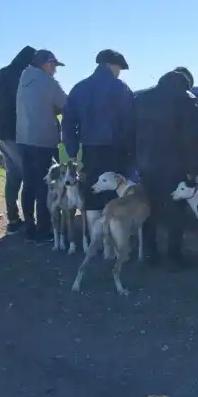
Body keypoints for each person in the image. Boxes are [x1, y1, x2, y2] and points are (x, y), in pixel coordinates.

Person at [62, 49, 135, 253]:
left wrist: (73, 150)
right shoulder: (121, 89)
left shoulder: (79, 88)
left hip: (90, 151)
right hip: (116, 152)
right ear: (111, 65)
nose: (119, 72)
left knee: (93, 195)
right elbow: (130, 124)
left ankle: (95, 243)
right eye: (119, 68)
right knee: (114, 196)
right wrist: (131, 152)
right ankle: (111, 246)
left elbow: (68, 123)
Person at [134, 67, 198, 269]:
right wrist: (194, 168)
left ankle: (149, 252)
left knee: (150, 209)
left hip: (147, 164)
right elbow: (195, 138)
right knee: (176, 212)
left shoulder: (143, 97)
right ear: (186, 83)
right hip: (176, 166)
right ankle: (173, 256)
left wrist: (135, 159)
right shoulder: (188, 100)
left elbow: (130, 130)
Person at [0, 46, 37, 234]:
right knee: (29, 174)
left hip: (0, 132)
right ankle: (31, 221)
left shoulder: (3, 74)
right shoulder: (23, 75)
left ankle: (13, 219)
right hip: (15, 131)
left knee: (13, 175)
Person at [16, 49, 67, 243]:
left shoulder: (24, 78)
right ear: (46, 64)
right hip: (43, 140)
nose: (55, 71)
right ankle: (44, 230)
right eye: (54, 66)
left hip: (23, 138)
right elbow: (66, 104)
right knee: (46, 185)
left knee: (28, 184)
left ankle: (29, 225)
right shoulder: (48, 82)